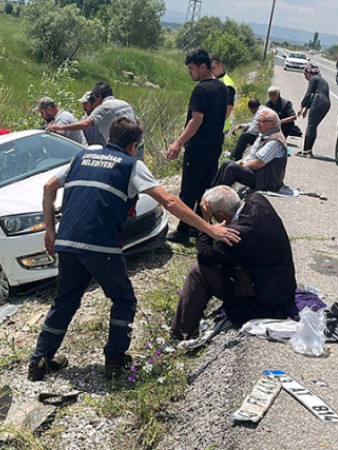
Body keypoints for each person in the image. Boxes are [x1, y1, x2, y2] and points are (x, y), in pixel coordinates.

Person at [29, 117, 240, 382]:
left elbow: (49, 187)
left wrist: (50, 230)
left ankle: (40, 360)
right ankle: (115, 361)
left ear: (108, 138)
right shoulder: (131, 165)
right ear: (132, 146)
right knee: (124, 299)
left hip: (68, 242)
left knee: (65, 300)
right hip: (99, 244)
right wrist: (210, 229)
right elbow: (170, 201)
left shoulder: (80, 158)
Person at [170, 185, 298, 340]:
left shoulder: (237, 235)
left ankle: (182, 333)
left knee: (198, 271)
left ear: (222, 215)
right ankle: (185, 326)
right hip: (282, 285)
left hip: (266, 302)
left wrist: (206, 222)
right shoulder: (257, 200)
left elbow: (204, 256)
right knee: (217, 263)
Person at [166, 49, 229, 245]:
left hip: (198, 148)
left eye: (192, 68)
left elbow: (196, 120)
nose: (190, 72)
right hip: (214, 147)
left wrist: (178, 142)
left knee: (188, 191)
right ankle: (198, 227)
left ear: (203, 66)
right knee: (205, 189)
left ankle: (184, 231)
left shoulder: (201, 90)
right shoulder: (222, 88)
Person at [211, 108, 288, 193]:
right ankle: (211, 192)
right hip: (259, 175)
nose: (258, 123)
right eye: (258, 120)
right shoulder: (265, 133)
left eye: (261, 121)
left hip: (266, 181)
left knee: (232, 168)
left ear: (272, 124)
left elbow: (259, 163)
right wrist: (238, 163)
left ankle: (218, 197)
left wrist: (240, 167)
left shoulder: (275, 140)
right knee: (227, 163)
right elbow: (252, 155)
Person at [46, 81, 138, 145]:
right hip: (136, 145)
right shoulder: (125, 104)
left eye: (93, 99)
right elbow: (137, 123)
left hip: (121, 149)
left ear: (99, 97)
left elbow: (86, 124)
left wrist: (61, 127)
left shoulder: (104, 107)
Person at [298, 63, 331, 157]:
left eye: (305, 74)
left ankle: (306, 151)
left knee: (311, 126)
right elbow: (313, 95)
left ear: (310, 73)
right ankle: (307, 150)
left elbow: (309, 94)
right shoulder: (320, 79)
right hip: (325, 103)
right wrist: (306, 109)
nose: (305, 77)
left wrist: (301, 106)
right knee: (313, 126)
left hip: (318, 101)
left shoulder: (313, 79)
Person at [210, 54, 236, 132]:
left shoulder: (227, 84)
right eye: (210, 68)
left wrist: (219, 123)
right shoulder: (215, 80)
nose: (211, 71)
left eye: (213, 68)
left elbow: (229, 106)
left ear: (220, 65)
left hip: (220, 127)